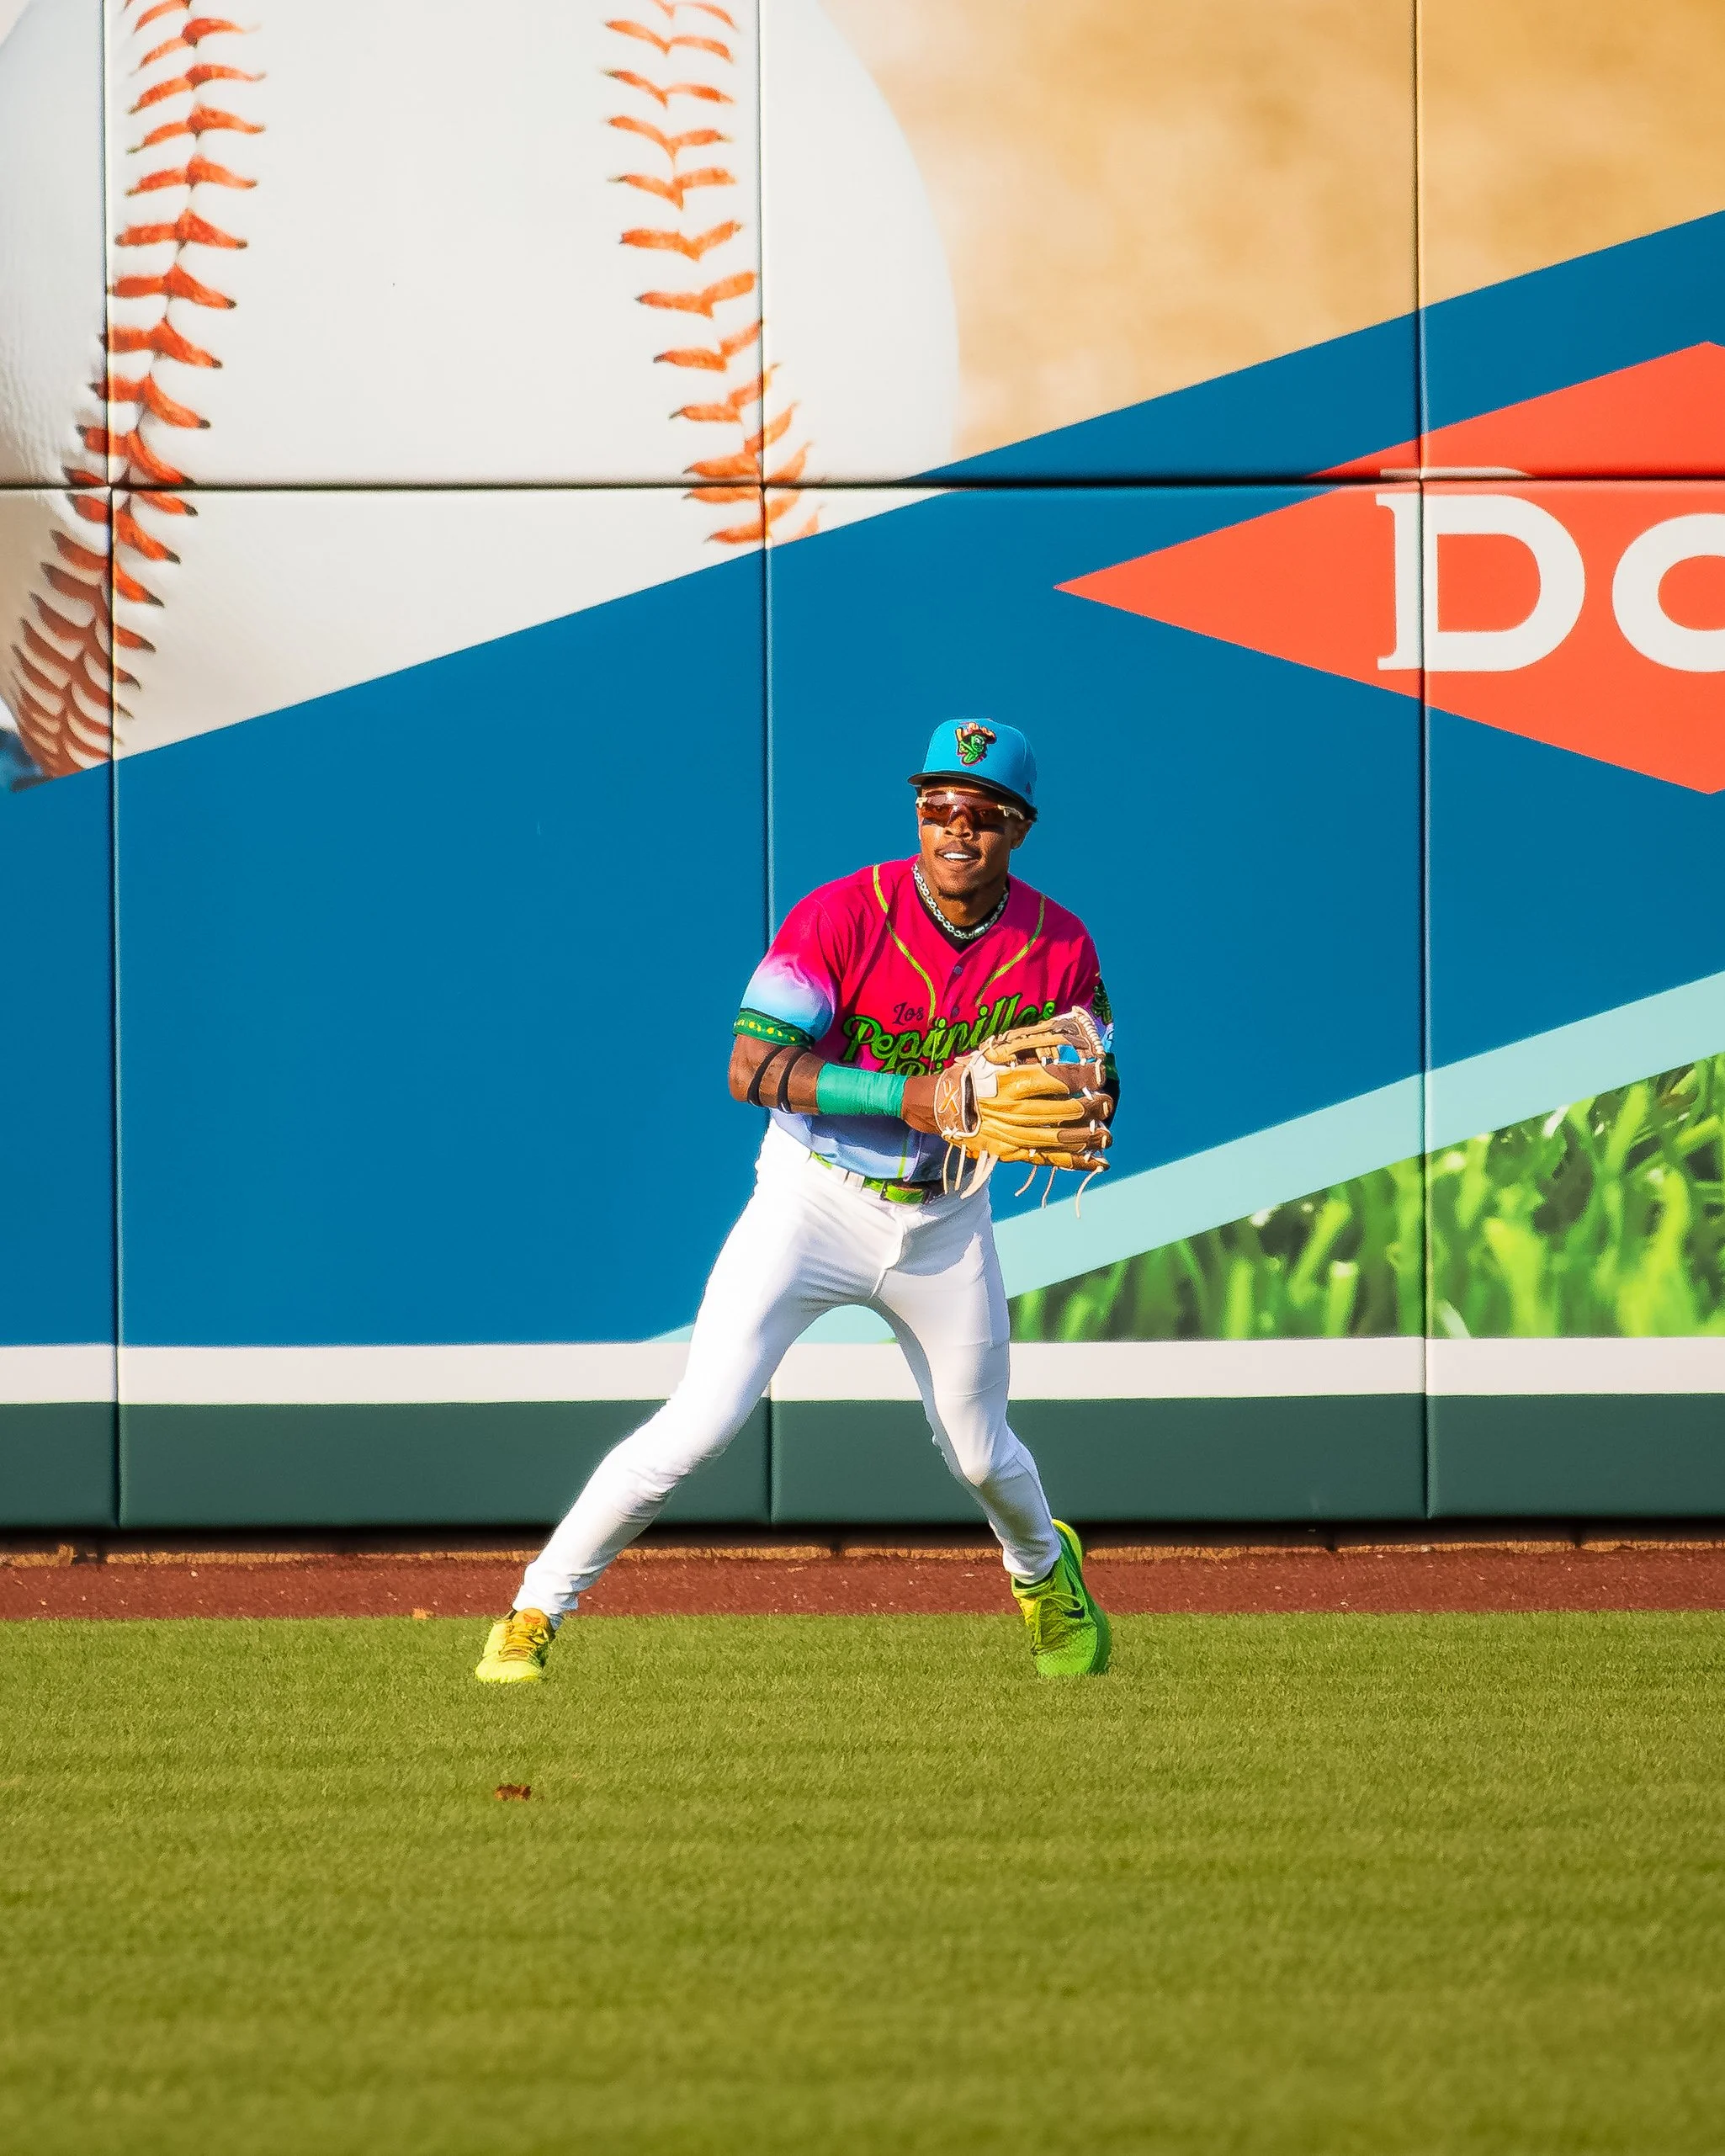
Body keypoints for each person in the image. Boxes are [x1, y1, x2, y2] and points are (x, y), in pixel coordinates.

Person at [476, 720, 1117, 1684]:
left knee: (980, 1455)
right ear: (917, 813)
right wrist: (909, 1095)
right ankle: (531, 1612)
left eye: (983, 812)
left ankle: (1043, 1574)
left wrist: (1084, 1096)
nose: (957, 826)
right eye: (938, 804)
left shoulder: (1058, 943)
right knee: (698, 1426)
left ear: (1018, 828)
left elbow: (1097, 1075)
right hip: (814, 1200)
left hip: (945, 1220)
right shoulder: (842, 915)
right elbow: (750, 1068)